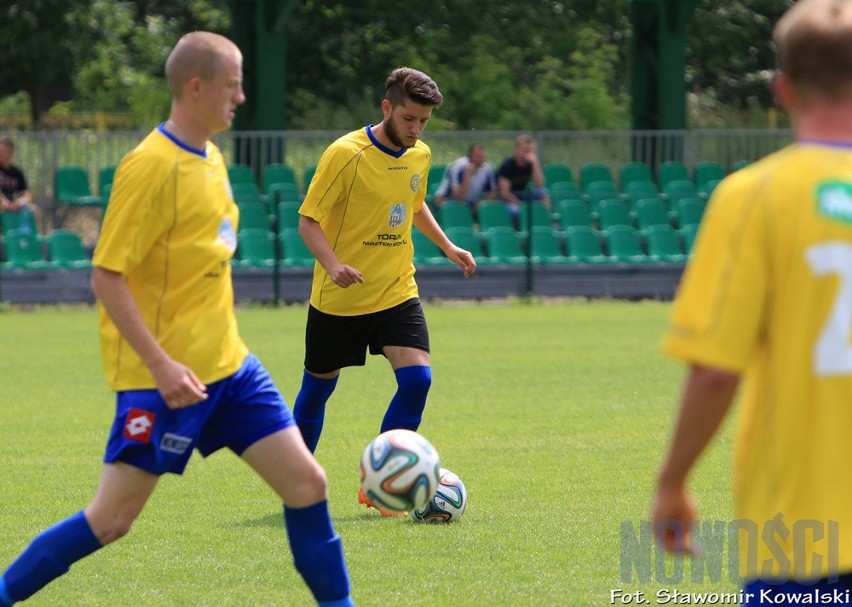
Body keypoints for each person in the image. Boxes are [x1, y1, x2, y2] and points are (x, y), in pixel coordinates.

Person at [0, 32, 353, 607]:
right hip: (164, 379)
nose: (241, 97)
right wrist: (162, 366)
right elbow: (107, 275)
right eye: (233, 85)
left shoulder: (210, 156)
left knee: (307, 483)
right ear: (197, 87)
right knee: (112, 519)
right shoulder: (150, 166)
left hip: (231, 369)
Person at [652, 0, 852, 604]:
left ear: (783, 89)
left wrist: (673, 482)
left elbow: (716, 370)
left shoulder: (753, 197)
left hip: (801, 530)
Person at [293, 67, 477, 515]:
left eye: (425, 122)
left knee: (418, 379)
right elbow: (308, 221)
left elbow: (412, 206)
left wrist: (448, 246)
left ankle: (380, 485)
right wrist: (333, 265)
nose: (416, 129)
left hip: (396, 289)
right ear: (387, 108)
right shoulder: (345, 154)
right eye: (410, 118)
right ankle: (294, 480)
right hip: (341, 297)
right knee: (318, 390)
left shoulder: (420, 156)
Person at [496, 134, 551, 218]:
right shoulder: (507, 165)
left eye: (530, 150)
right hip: (504, 200)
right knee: (517, 211)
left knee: (543, 192)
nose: (528, 153)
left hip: (521, 194)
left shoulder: (530, 164)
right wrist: (520, 205)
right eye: (525, 150)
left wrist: (535, 163)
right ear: (517, 150)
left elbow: (540, 185)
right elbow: (504, 193)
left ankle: (543, 218)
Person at [433, 143, 498, 208]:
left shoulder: (487, 169)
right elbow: (457, 197)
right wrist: (468, 176)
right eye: (478, 156)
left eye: (483, 156)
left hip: (470, 204)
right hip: (448, 201)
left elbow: (492, 192)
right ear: (470, 156)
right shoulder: (458, 167)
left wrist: (481, 203)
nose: (481, 159)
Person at [0, 138, 43, 233]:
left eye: (3, 151)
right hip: (2, 203)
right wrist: (4, 202)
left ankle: (26, 239)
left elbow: (27, 195)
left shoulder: (17, 173)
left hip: (12, 202)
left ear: (11, 153)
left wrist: (19, 202)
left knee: (34, 210)